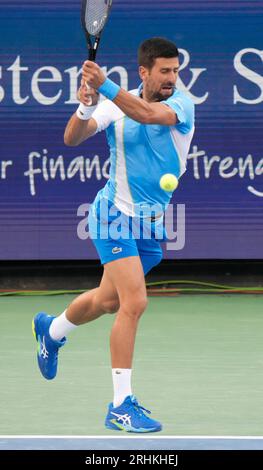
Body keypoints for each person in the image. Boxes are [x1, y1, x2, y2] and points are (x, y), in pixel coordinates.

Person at [32, 37, 195, 433]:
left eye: (176, 70)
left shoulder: (181, 104)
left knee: (108, 300)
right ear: (144, 72)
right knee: (134, 302)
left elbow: (144, 114)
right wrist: (87, 103)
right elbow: (73, 137)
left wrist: (103, 84)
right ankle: (121, 405)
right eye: (165, 71)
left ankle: (51, 331)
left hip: (150, 225)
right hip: (111, 215)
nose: (173, 77)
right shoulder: (112, 106)